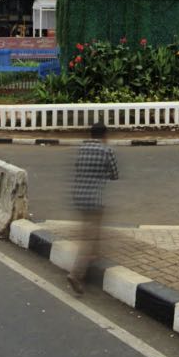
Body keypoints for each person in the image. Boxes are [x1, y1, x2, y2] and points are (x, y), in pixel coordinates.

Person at [68, 121, 119, 294]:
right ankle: (76, 274)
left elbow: (77, 168)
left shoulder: (82, 149)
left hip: (78, 195)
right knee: (88, 238)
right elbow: (114, 174)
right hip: (94, 198)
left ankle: (94, 256)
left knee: (91, 228)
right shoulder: (106, 151)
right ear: (104, 136)